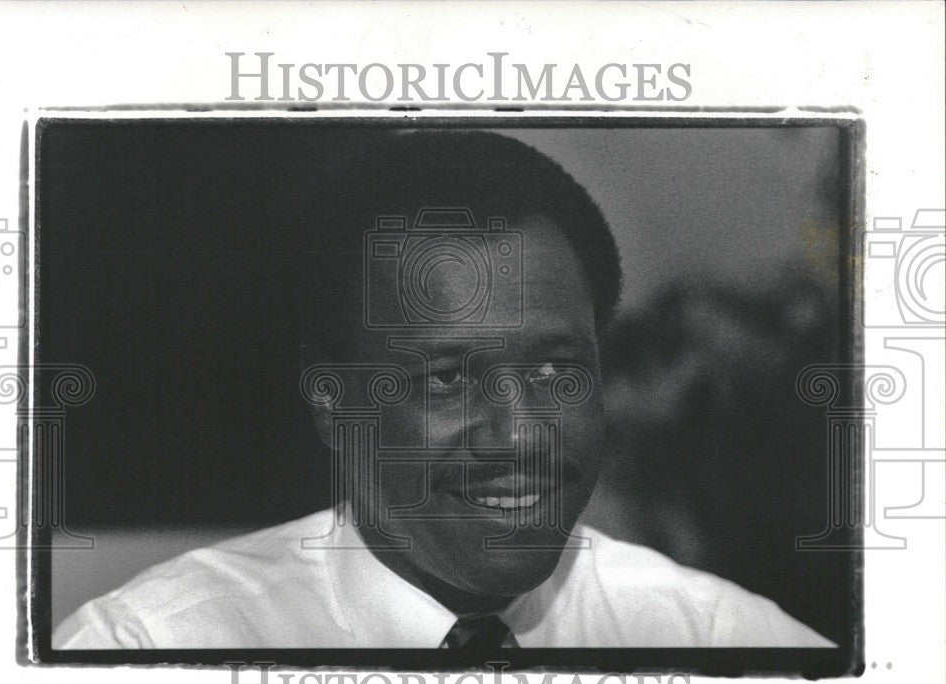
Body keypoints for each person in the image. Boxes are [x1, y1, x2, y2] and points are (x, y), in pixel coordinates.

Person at [55, 130, 832, 650]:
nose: (521, 433)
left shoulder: (725, 643)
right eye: (448, 379)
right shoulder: (154, 652)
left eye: (558, 372)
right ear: (334, 402)